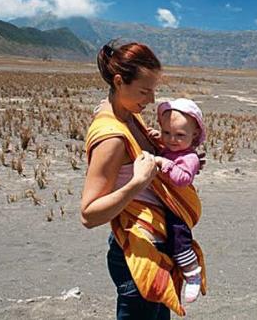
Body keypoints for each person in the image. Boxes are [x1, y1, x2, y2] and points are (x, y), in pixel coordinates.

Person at [81, 41, 206, 319]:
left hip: (157, 247)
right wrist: (138, 182)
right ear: (118, 81)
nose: (150, 100)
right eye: (144, 91)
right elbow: (89, 215)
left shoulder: (128, 114)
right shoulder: (112, 138)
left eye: (153, 90)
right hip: (138, 253)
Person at [150, 98, 206, 303]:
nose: (172, 139)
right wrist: (157, 138)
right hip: (165, 204)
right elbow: (165, 147)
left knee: (179, 240)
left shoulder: (188, 158)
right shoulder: (172, 148)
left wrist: (165, 163)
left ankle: (192, 274)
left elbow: (182, 179)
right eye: (166, 133)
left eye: (179, 135)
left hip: (178, 209)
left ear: (194, 136)